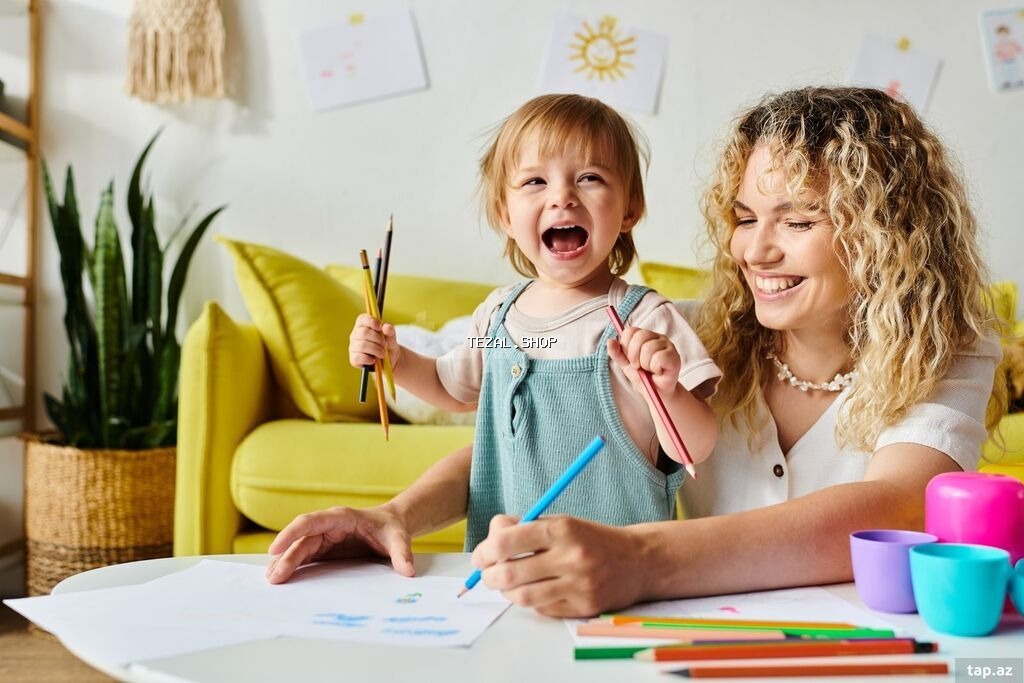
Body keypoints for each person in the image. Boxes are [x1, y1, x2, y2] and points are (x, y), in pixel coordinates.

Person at [462, 86, 1007, 617]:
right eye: (746, 219)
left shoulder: (944, 350)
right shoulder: (672, 337)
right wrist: (412, 512)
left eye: (797, 221)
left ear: (886, 231)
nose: (756, 251)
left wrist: (640, 560)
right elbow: (529, 433)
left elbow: (900, 505)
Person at [266, 94, 720, 584]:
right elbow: (453, 386)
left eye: (589, 177)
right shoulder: (499, 321)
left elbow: (696, 448)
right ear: (505, 213)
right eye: (535, 181)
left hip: (614, 579)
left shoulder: (646, 320)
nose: (562, 197)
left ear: (630, 208)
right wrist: (395, 360)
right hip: (503, 575)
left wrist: (668, 391)